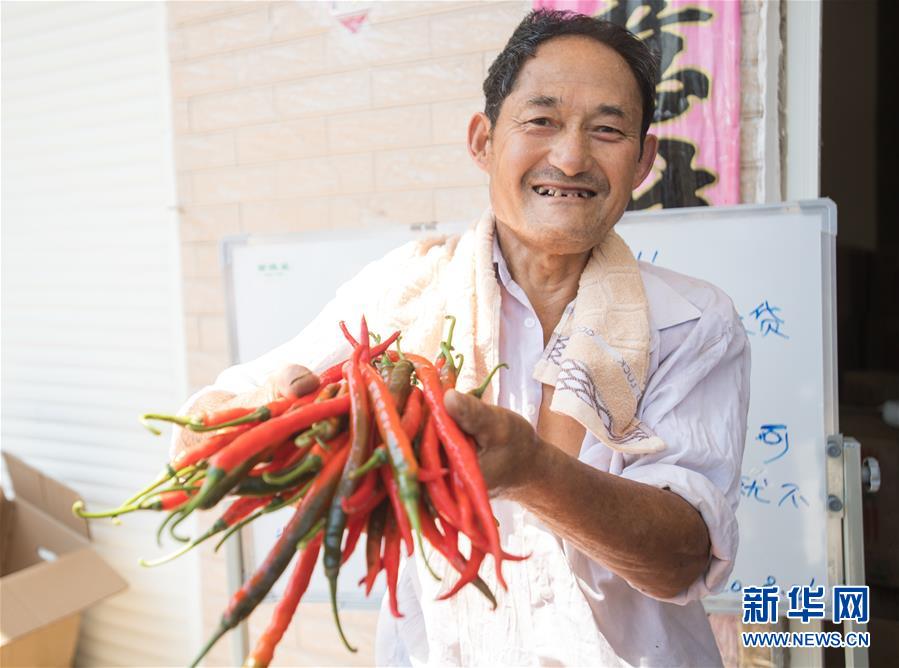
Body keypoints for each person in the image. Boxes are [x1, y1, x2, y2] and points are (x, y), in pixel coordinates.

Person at [176, 10, 750, 667]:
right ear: (482, 140)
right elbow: (218, 418)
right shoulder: (402, 292)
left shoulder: (693, 322)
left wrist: (533, 470)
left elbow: (678, 560)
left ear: (643, 160)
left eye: (607, 130)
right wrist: (272, 421)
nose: (569, 157)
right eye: (540, 120)